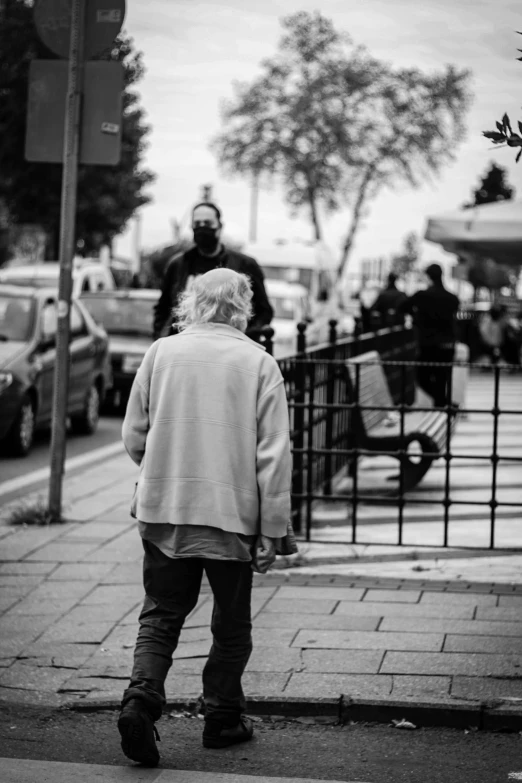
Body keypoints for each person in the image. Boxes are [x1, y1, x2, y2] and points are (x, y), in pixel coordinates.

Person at [119, 268, 292, 767]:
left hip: (165, 510)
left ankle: (141, 699)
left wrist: (162, 470)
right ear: (243, 307)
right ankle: (221, 718)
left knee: (162, 611)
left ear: (190, 302)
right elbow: (274, 456)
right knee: (231, 623)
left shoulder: (161, 353)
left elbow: (134, 435)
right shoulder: (259, 363)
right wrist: (274, 530)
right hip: (232, 515)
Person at [153, 202, 273, 340]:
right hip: (183, 347)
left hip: (229, 349)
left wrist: (243, 339)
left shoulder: (245, 265)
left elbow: (264, 312)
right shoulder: (178, 264)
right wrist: (160, 338)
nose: (202, 228)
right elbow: (163, 308)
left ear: (219, 226)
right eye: (197, 224)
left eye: (208, 223)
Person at [400, 263, 460, 408]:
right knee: (442, 379)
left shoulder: (422, 296)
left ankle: (443, 403)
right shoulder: (452, 298)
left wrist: (416, 316)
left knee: (422, 376)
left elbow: (402, 306)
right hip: (447, 344)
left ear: (428, 276)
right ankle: (443, 404)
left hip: (428, 343)